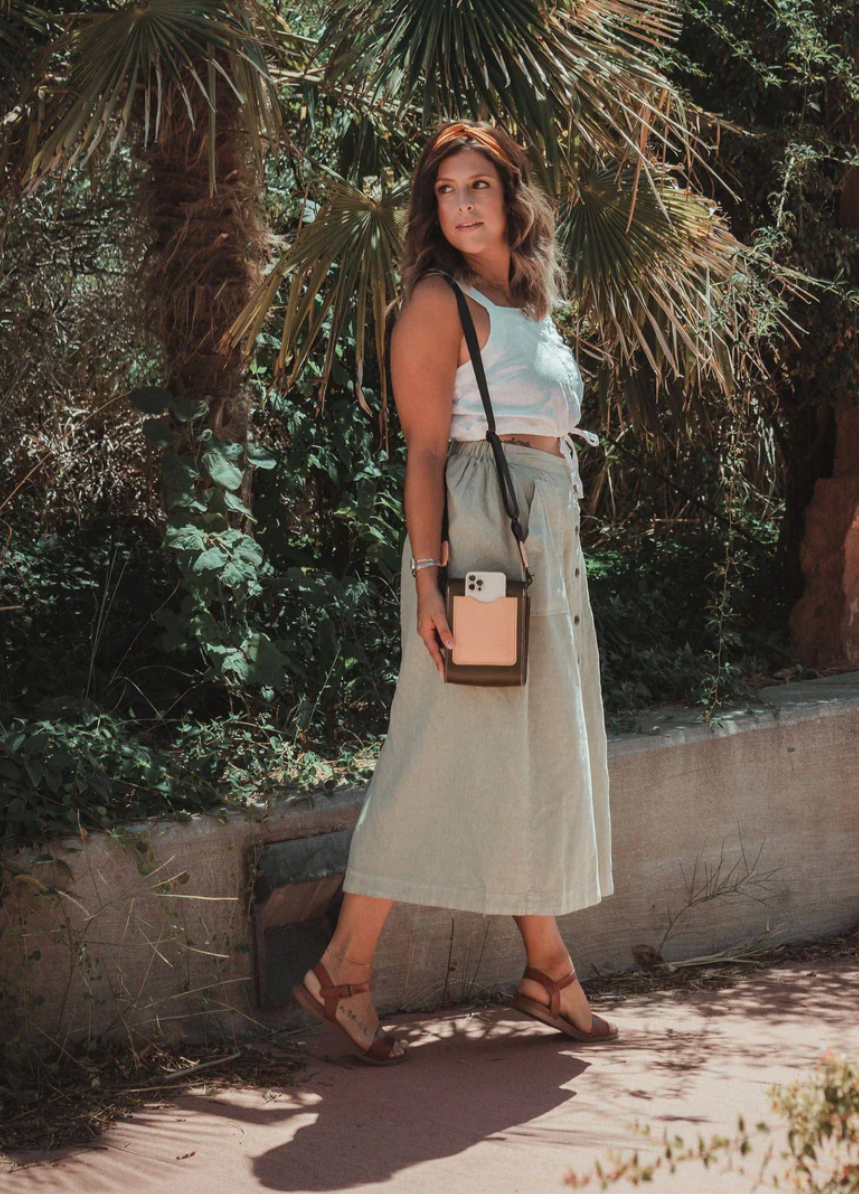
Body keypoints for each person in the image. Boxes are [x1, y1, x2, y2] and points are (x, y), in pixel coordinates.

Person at [293, 121, 616, 1065]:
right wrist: (430, 580)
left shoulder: (529, 301)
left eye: (479, 185)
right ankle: (346, 967)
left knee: (526, 742)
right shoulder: (437, 301)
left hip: (540, 539)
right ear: (431, 208)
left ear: (514, 196)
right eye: (446, 190)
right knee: (444, 738)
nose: (464, 203)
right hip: (478, 538)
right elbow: (426, 453)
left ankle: (546, 968)